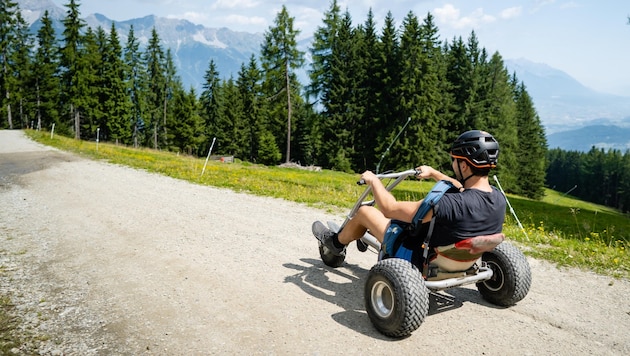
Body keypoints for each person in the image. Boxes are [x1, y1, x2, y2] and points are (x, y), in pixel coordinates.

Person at [312, 130, 506, 259]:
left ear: (464, 165)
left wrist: (374, 181)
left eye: (455, 161)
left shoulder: (448, 204)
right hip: (459, 257)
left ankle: (335, 244)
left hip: (417, 255)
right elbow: (460, 187)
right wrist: (433, 173)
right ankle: (362, 234)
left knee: (365, 212)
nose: (453, 165)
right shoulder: (498, 199)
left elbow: (389, 209)